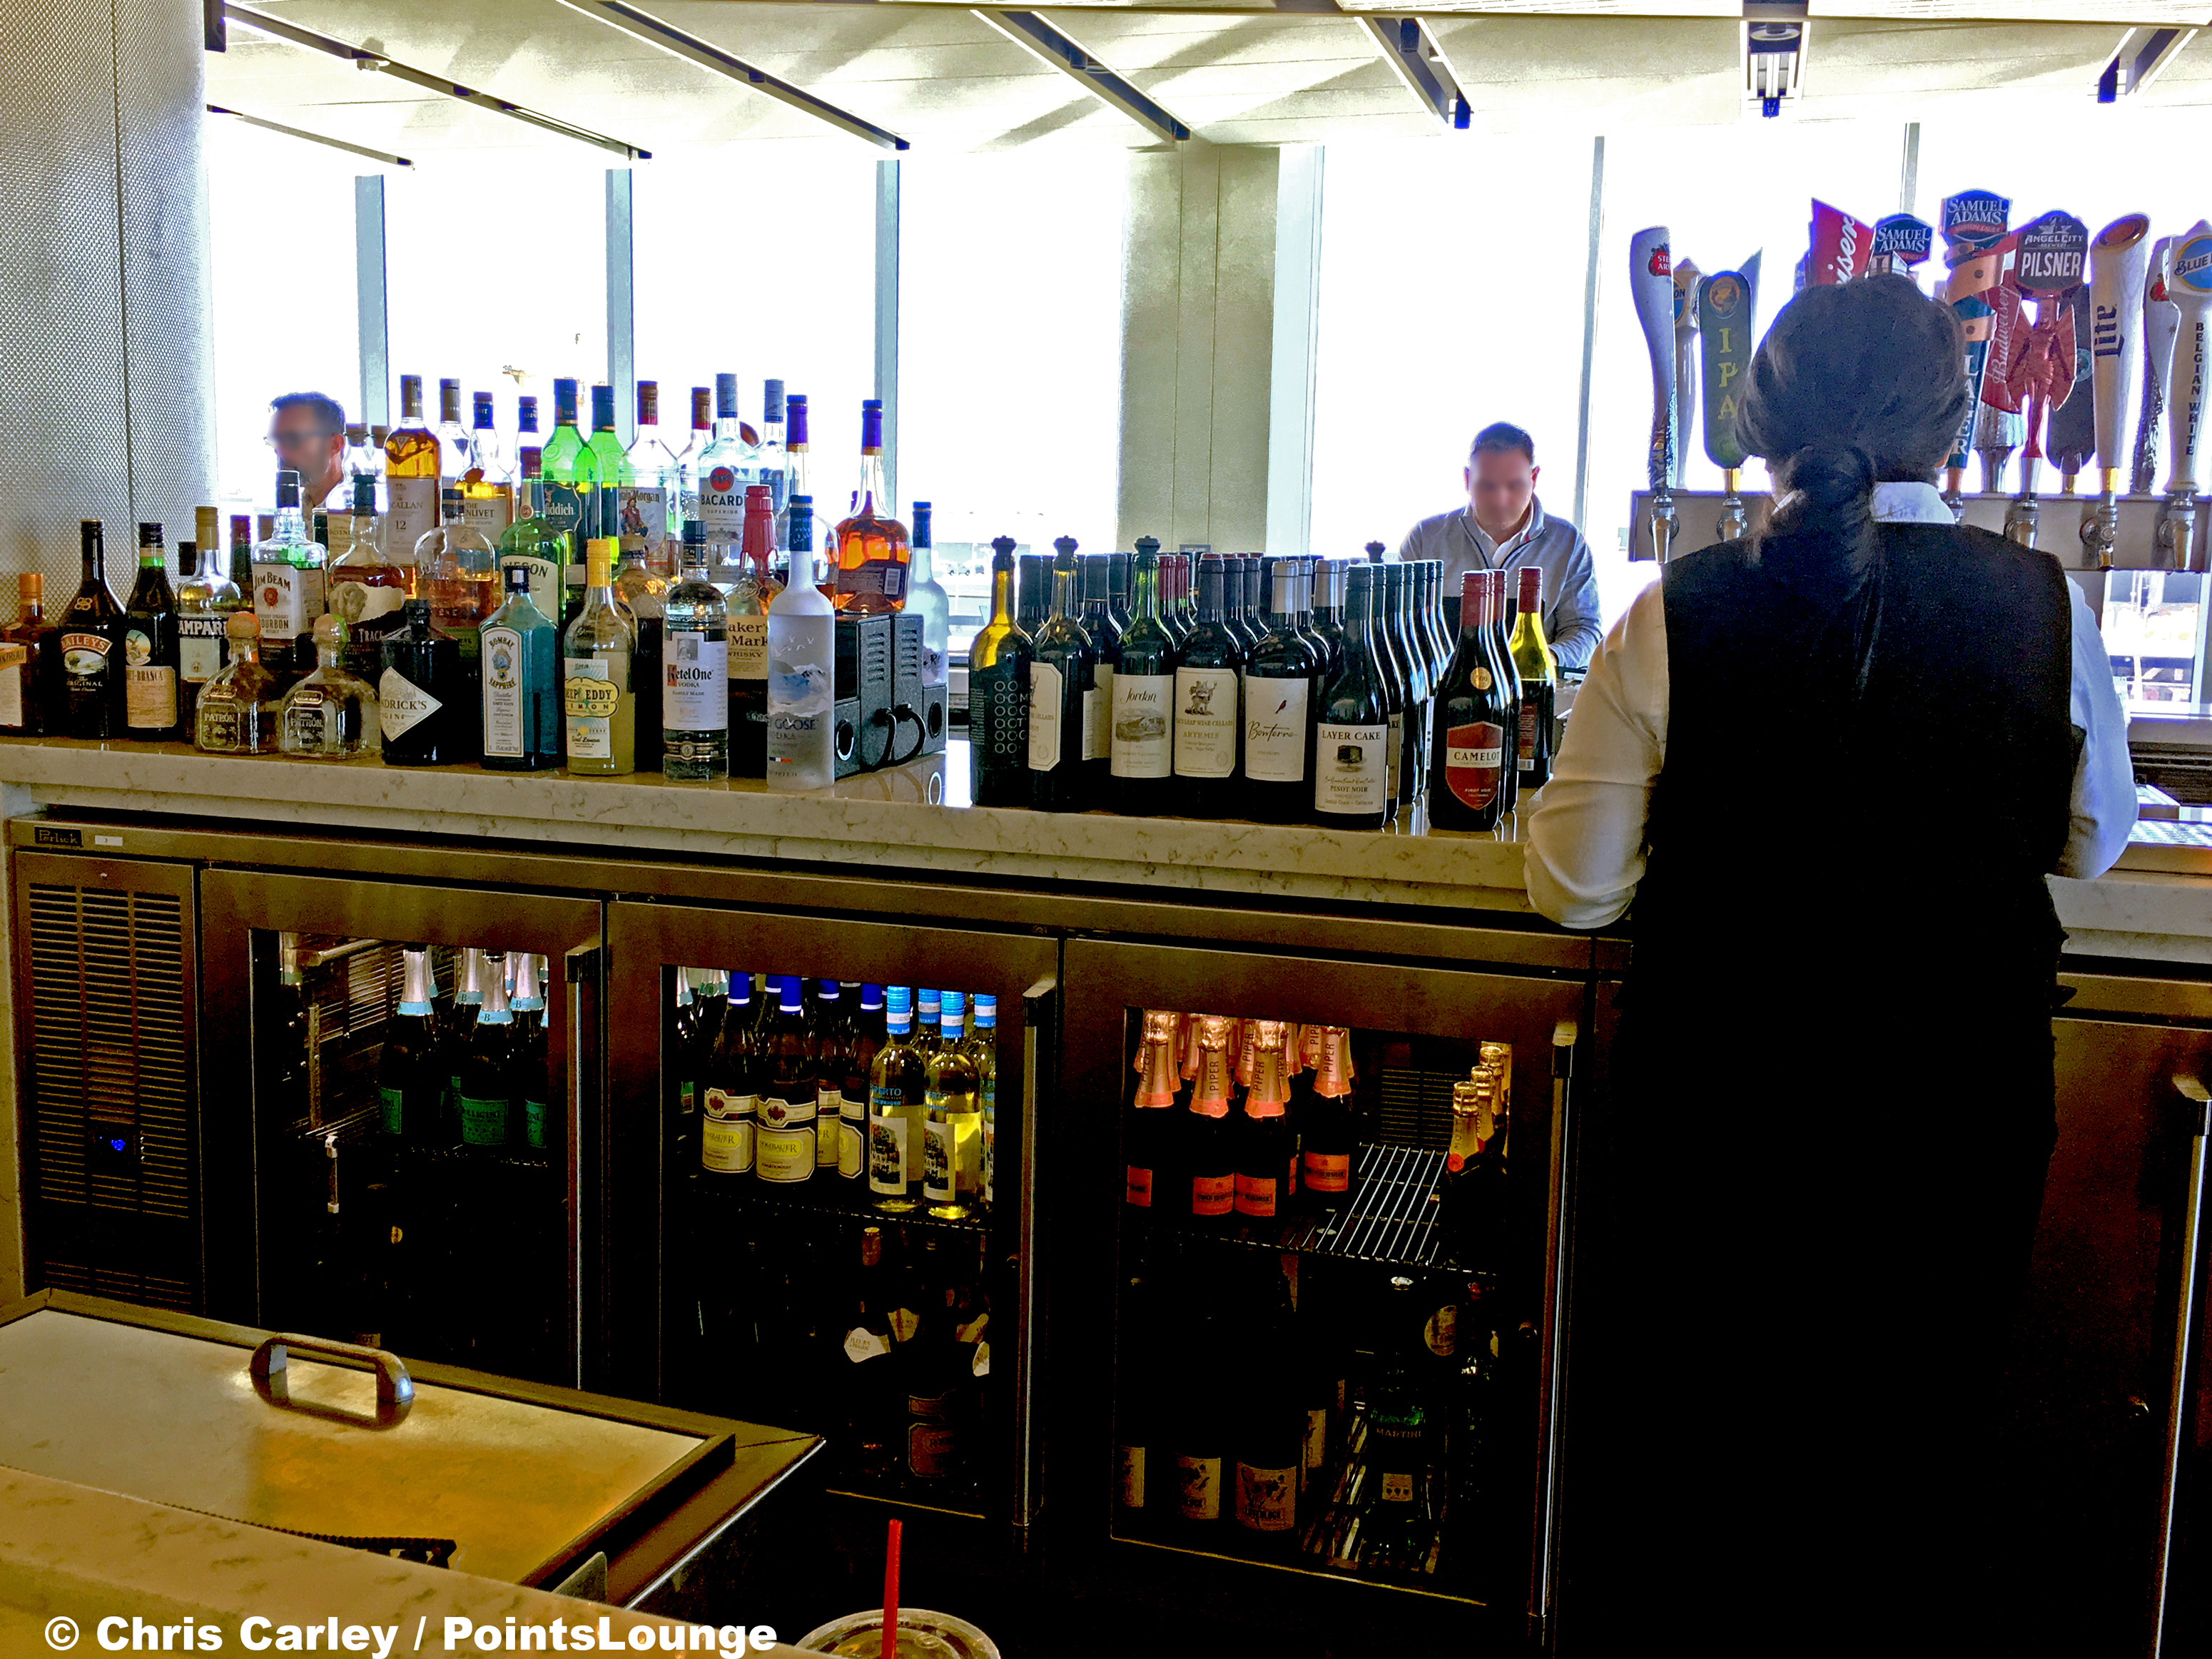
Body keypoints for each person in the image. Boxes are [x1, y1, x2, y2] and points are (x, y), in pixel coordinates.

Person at [1526, 276, 2133, 1653]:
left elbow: (1575, 888)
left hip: (1723, 1115)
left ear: (1760, 423)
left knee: (1715, 1455)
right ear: (1958, 426)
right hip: (1955, 1114)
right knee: (1914, 1452)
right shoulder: (2041, 606)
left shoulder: (1675, 611)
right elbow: (2090, 844)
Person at [1396, 421, 1603, 669]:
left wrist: (1547, 658)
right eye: (1487, 486)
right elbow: (1398, 625)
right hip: (1442, 691)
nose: (1500, 499)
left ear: (1534, 478)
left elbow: (1584, 630)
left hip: (1529, 692)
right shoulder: (1425, 539)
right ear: (1466, 478)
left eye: (1514, 486)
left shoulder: (1568, 544)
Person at [268, 392, 348, 514]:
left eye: (292, 439)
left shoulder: (365, 511)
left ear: (334, 445)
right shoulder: (291, 511)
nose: (280, 451)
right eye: (276, 440)